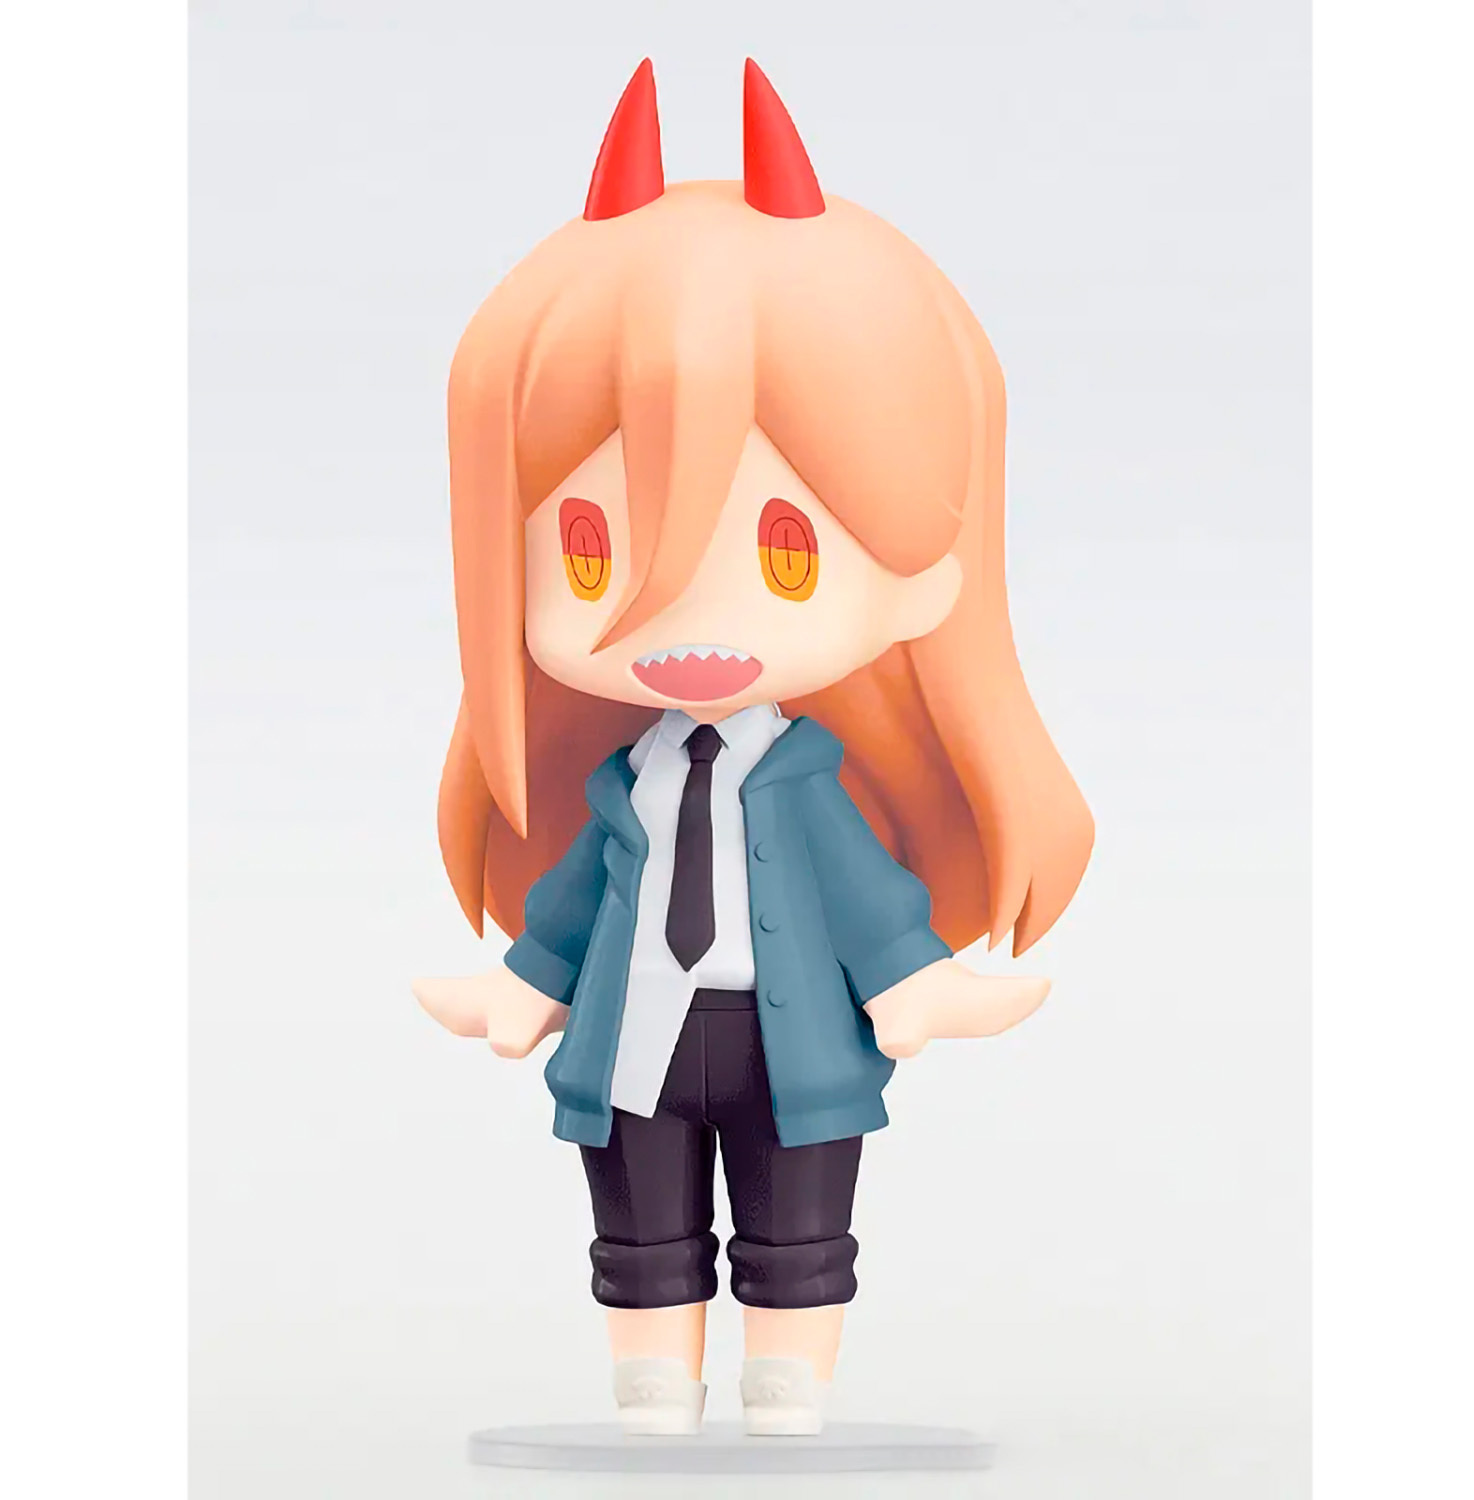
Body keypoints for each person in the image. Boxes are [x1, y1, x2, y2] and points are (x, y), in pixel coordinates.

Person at [414, 58, 1093, 1437]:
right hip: (638, 1051)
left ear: (920, 567)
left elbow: (867, 903)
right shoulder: (623, 786)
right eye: (588, 550)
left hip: (798, 1050)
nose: (683, 625)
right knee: (638, 1230)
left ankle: (788, 1382)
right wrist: (525, 987)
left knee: (800, 1229)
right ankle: (651, 1384)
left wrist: (915, 989)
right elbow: (579, 906)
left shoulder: (804, 785)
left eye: (789, 549)